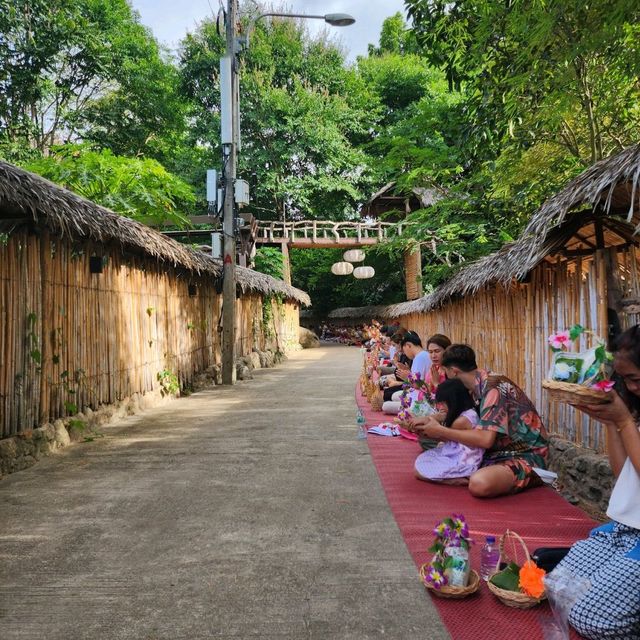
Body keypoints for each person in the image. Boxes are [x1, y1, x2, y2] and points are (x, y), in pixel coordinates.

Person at [553, 325, 640, 639]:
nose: (630, 387)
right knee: (558, 587)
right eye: (626, 380)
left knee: (591, 618)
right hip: (624, 530)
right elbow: (624, 475)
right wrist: (612, 424)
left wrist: (624, 421)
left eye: (635, 379)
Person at [409, 344, 548, 497]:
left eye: (445, 371)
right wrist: (429, 423)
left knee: (479, 483)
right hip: (492, 454)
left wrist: (441, 431)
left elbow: (485, 440)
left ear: (454, 371)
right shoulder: (477, 385)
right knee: (422, 467)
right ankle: (464, 475)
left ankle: (469, 477)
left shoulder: (493, 388)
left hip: (526, 456)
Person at [414, 378, 484, 482]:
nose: (441, 407)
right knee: (423, 461)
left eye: (443, 404)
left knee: (419, 472)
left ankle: (454, 480)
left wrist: (428, 432)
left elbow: (447, 437)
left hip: (463, 459)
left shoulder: (461, 421)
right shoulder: (469, 412)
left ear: (454, 401)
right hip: (460, 451)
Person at [382, 332, 432, 414]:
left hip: (421, 398)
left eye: (404, 350)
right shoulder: (422, 355)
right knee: (393, 396)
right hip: (418, 394)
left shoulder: (420, 357)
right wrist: (408, 371)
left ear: (408, 345)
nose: (404, 353)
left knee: (386, 405)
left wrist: (407, 377)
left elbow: (418, 385)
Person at [424, 334, 452, 398]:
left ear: (447, 351)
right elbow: (427, 394)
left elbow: (450, 398)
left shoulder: (452, 372)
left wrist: (436, 383)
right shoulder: (433, 370)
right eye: (430, 352)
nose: (433, 356)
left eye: (437, 351)